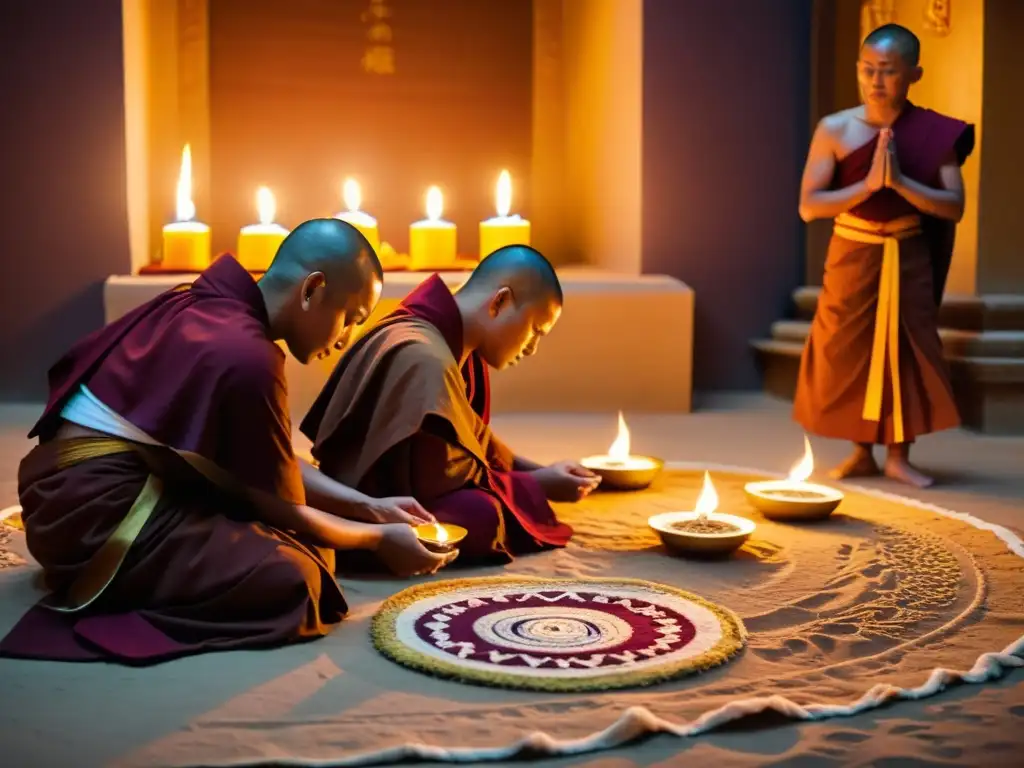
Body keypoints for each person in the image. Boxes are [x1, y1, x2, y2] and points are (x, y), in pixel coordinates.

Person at [0, 218, 455, 665]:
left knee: (314, 548)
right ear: (312, 290)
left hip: (65, 492)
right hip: (97, 520)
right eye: (349, 319)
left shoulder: (208, 304)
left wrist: (370, 507)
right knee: (298, 580)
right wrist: (377, 539)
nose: (345, 340)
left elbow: (263, 463)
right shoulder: (246, 355)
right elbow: (281, 505)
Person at [300, 245, 600, 563]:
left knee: (481, 511)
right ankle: (367, 543)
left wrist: (538, 471)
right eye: (534, 331)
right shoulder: (427, 356)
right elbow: (433, 479)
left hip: (410, 489)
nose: (531, 349)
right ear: (500, 301)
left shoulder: (450, 337)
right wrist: (540, 484)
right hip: (373, 498)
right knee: (481, 516)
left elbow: (470, 436)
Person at [794, 23, 974, 488]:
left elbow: (953, 207)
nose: (876, 81)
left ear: (914, 74)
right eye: (867, 70)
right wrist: (867, 186)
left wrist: (899, 184)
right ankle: (860, 452)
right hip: (852, 252)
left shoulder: (934, 133)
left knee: (908, 351)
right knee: (848, 350)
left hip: (906, 252)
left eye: (888, 72)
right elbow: (810, 205)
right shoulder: (834, 129)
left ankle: (899, 456)